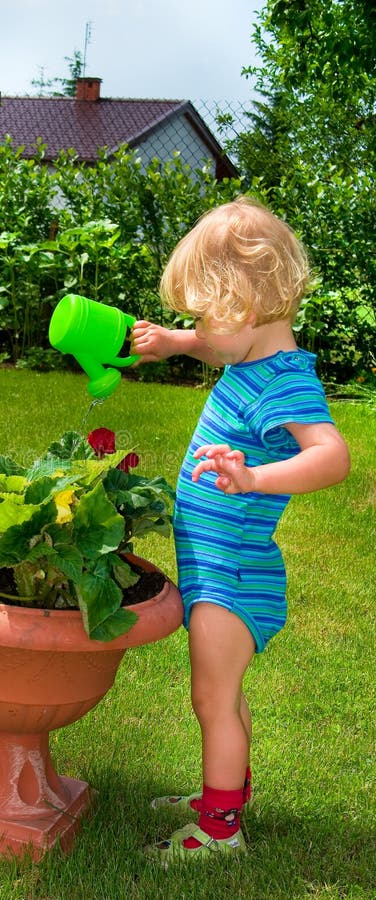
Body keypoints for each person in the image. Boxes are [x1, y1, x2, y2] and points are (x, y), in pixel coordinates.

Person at [131, 196, 350, 866]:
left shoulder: (283, 386)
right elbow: (219, 341)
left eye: (199, 316)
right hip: (217, 565)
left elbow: (332, 456)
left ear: (243, 310)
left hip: (230, 576)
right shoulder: (247, 353)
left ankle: (220, 833)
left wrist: (256, 479)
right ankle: (222, 797)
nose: (195, 328)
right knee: (221, 697)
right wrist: (174, 344)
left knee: (213, 699)